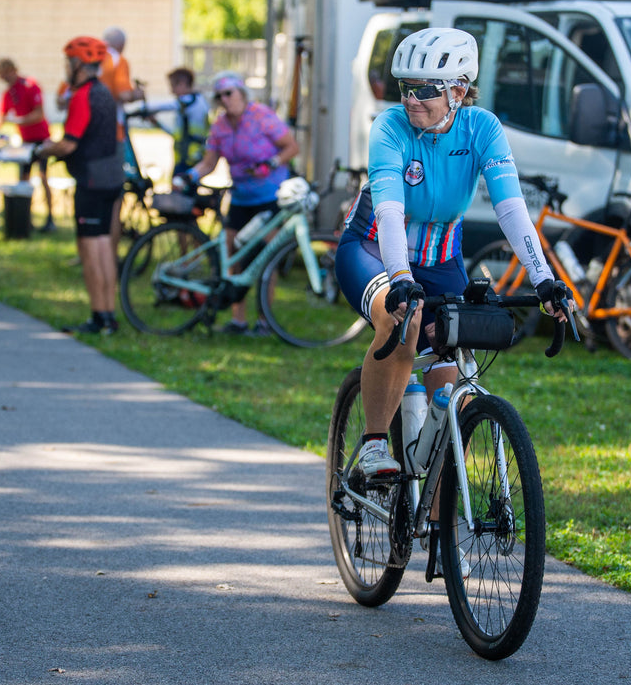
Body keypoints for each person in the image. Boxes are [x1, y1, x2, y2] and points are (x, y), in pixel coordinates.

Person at [334, 28, 570, 479]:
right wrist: (400, 278)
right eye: (406, 88)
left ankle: (439, 535)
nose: (411, 100)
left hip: (441, 259)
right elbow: (387, 210)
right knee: (403, 318)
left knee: (451, 369)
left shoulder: (482, 127)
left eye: (424, 89)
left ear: (459, 89)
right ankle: (374, 444)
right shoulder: (390, 126)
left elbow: (512, 210)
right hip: (372, 248)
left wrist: (544, 280)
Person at [181, 71, 299, 335]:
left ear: (242, 93)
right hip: (240, 198)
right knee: (234, 256)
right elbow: (209, 163)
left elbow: (291, 147)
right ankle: (238, 319)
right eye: (219, 95)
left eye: (229, 93)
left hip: (269, 196)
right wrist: (190, 175)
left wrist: (271, 163)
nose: (225, 99)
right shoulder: (220, 126)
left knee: (267, 256)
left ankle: (265, 321)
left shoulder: (262, 116)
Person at [34, 37, 124, 335]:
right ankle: (109, 315)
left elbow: (69, 144)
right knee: (105, 247)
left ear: (77, 65)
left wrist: (44, 150)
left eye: (67, 63)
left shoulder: (84, 95)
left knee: (92, 247)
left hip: (92, 179)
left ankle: (99, 316)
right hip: (110, 176)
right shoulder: (104, 93)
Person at [0, 58, 55, 232]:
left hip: (41, 138)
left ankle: (49, 218)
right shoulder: (9, 93)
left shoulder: (30, 86)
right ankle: (25, 219)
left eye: (4, 74)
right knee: (23, 180)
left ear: (12, 70)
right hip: (25, 142)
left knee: (43, 177)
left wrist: (19, 120)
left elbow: (39, 114)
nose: (3, 78)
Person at [100, 26, 145, 259]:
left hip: (86, 134)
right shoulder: (119, 60)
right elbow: (123, 94)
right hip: (112, 133)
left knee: (91, 196)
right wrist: (139, 93)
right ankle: (111, 257)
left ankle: (88, 251)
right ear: (122, 45)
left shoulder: (89, 60)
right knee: (114, 199)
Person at [166, 67, 211, 176]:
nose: (171, 91)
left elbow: (164, 105)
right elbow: (177, 134)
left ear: (182, 84)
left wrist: (142, 108)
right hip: (183, 156)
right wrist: (156, 123)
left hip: (191, 157)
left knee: (181, 187)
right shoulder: (192, 102)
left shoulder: (191, 102)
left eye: (172, 86)